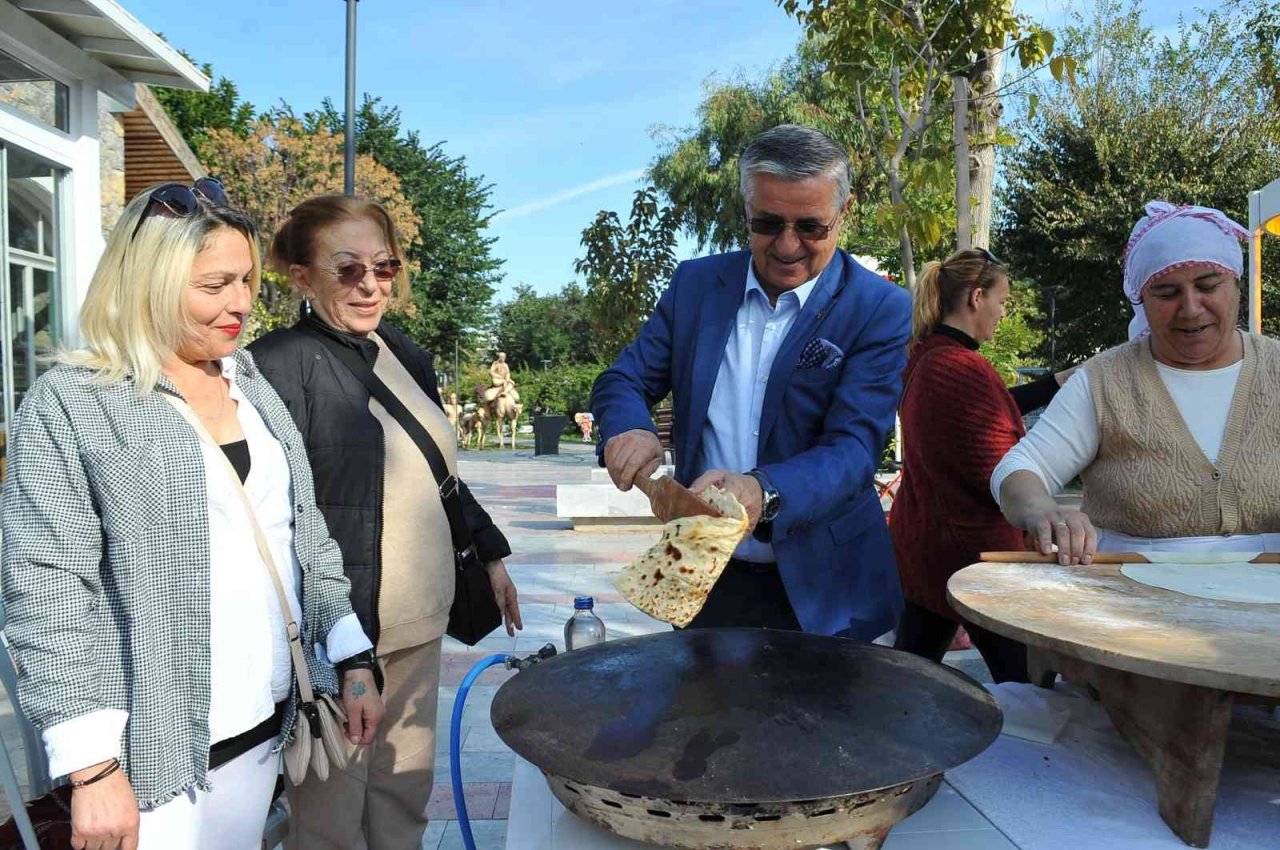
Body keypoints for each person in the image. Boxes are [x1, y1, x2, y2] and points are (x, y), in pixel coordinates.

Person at [0, 181, 382, 850]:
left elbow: (301, 531)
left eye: (245, 280)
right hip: (153, 757)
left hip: (263, 728)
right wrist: (92, 769)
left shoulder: (248, 382)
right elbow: (49, 592)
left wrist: (351, 657)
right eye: (214, 286)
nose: (240, 303)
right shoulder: (74, 402)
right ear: (147, 281)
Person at [249, 195, 523, 849]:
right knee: (331, 821)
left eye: (384, 266)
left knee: (403, 801)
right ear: (300, 275)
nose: (370, 284)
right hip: (341, 640)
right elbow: (273, 515)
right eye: (347, 270)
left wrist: (490, 554)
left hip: (419, 626)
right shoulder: (277, 366)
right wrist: (334, 647)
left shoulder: (403, 352)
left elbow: (440, 474)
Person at [591, 124, 912, 639]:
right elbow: (622, 379)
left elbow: (854, 450)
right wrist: (628, 427)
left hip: (826, 592)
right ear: (745, 211)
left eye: (811, 227)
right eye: (767, 223)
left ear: (843, 213)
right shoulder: (695, 286)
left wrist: (765, 489)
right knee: (702, 719)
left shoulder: (878, 307)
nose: (787, 247)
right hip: (704, 577)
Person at [993, 201, 1280, 562]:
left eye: (1208, 285)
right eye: (1167, 293)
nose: (1191, 308)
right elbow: (1020, 469)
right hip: (1131, 600)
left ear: (1236, 285)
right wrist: (1042, 512)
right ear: (1141, 299)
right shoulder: (1104, 382)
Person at [890, 249, 1072, 682]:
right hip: (974, 556)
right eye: (1002, 301)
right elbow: (1000, 468)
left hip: (931, 547)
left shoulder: (933, 357)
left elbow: (994, 403)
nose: (1003, 312)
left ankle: (881, 740)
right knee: (1029, 684)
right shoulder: (956, 366)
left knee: (908, 674)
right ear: (976, 297)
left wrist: (1057, 383)